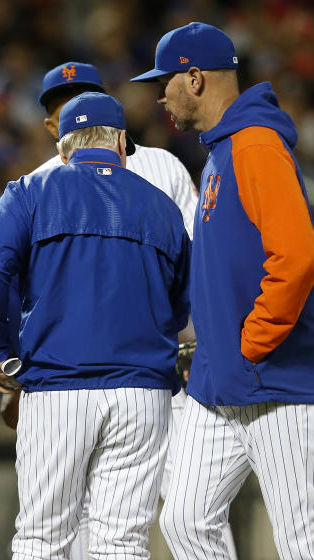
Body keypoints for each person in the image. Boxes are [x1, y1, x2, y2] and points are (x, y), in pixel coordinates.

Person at [17, 61, 236, 560]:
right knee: (89, 522)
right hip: (76, 373)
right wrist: (14, 359)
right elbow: (19, 283)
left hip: (170, 368)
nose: (76, 110)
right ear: (53, 126)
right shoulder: (40, 182)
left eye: (86, 96)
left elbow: (195, 261)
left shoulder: (163, 167)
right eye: (61, 107)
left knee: (193, 508)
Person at [0, 92, 190, 559]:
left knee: (43, 537)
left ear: (63, 148)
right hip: (143, 396)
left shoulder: (31, 190)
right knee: (122, 542)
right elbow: (183, 302)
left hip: (58, 387)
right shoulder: (161, 204)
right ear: (122, 143)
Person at [132, 22, 314, 559]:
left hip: (276, 382)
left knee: (302, 539)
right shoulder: (222, 151)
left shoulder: (256, 145)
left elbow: (297, 256)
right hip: (218, 387)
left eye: (164, 81)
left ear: (194, 78)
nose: (159, 94)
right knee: (186, 520)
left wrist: (253, 342)